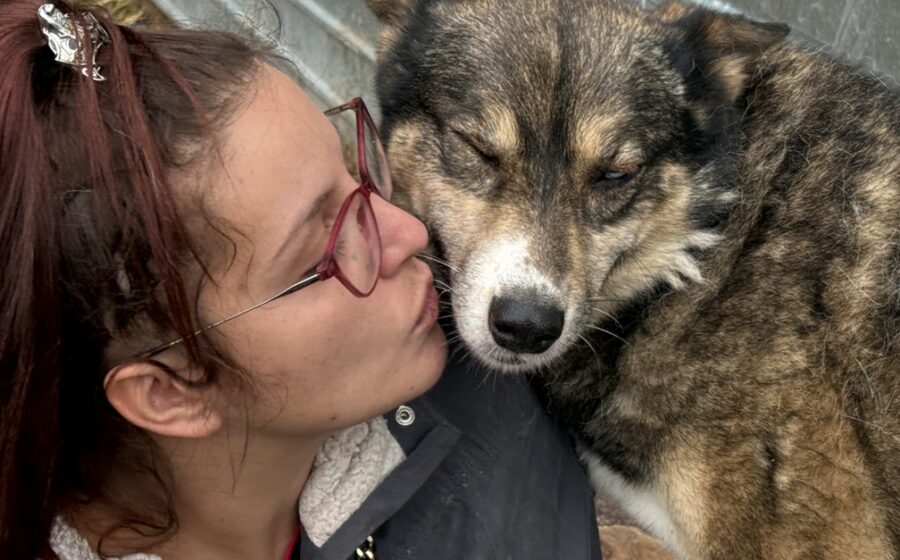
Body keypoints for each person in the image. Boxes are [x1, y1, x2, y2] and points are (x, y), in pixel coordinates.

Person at [0, 2, 601, 559]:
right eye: (325, 253)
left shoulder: (495, 372)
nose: (411, 235)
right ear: (170, 391)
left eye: (354, 176)